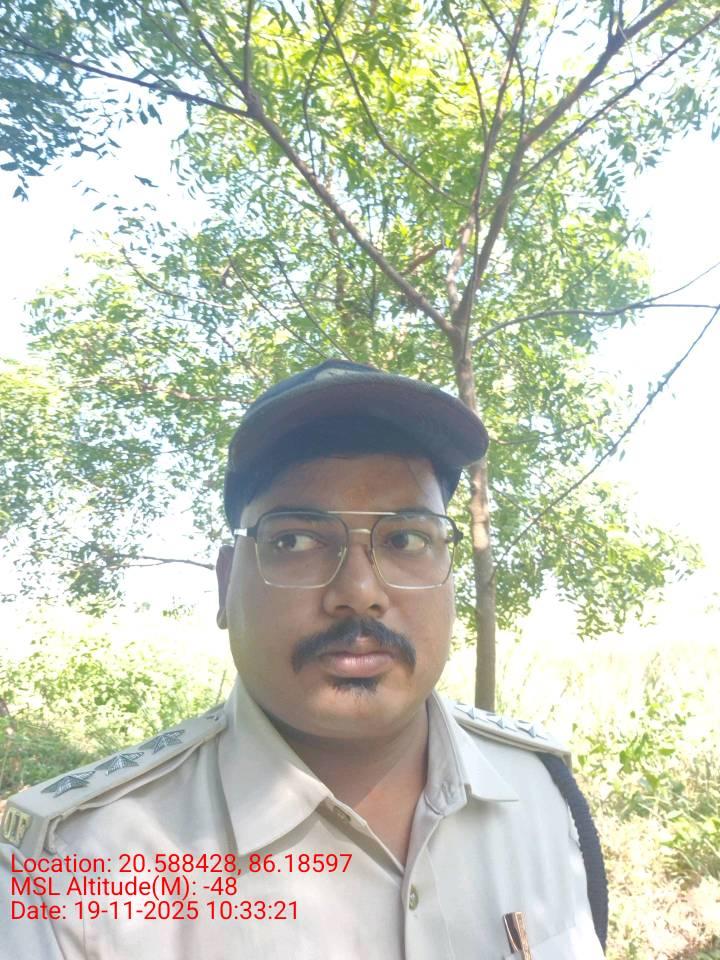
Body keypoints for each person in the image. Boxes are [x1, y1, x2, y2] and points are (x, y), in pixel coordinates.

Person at [0, 360, 607, 959]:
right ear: (226, 585)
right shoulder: (69, 872)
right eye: (296, 540)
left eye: (406, 538)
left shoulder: (544, 792)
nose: (359, 592)